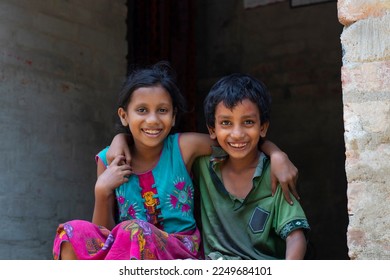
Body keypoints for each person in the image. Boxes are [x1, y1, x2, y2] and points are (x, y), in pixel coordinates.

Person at [53, 61, 298, 260]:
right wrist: (102, 190)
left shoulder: (183, 147)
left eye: (162, 110)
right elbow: (103, 238)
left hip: (181, 250)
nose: (152, 120)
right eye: (142, 110)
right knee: (72, 231)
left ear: (173, 117)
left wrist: (276, 153)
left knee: (134, 229)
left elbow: (235, 140)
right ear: (124, 115)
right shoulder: (109, 159)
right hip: (129, 249)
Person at [192, 73, 310, 260]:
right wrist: (126, 137)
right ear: (212, 130)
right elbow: (163, 147)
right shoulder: (204, 164)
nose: (237, 134)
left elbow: (296, 236)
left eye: (248, 122)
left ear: (262, 127)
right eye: (226, 123)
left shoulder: (274, 174)